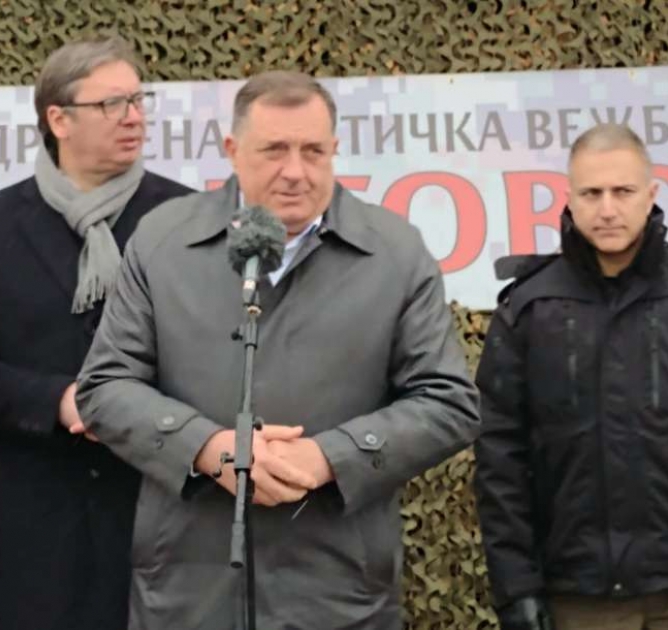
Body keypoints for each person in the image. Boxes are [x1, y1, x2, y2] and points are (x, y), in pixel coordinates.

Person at [75, 70, 481, 630]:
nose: (295, 170)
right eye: (274, 150)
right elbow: (104, 387)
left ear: (334, 150)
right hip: (189, 587)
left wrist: (330, 457)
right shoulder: (162, 241)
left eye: (313, 151)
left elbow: (448, 401)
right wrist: (208, 448)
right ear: (232, 150)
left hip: (339, 590)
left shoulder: (395, 253)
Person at [0, 34, 192, 630]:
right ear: (58, 119)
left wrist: (143, 412)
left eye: (138, 100)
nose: (134, 117)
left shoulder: (187, 219)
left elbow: (219, 355)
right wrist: (60, 402)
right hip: (37, 525)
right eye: (112, 104)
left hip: (159, 514)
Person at [474, 123, 668, 630]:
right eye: (591, 193)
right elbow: (501, 458)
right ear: (569, 199)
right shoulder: (530, 308)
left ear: (651, 194)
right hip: (579, 599)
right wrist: (516, 588)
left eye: (623, 191)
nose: (607, 208)